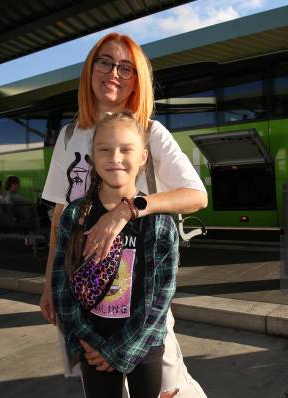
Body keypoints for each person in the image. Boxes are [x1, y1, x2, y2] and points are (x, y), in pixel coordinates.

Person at [40, 33, 208, 398]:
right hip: (86, 296)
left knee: (170, 389)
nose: (113, 72)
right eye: (104, 62)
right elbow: (58, 214)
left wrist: (127, 210)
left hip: (139, 301)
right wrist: (48, 285)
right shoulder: (69, 135)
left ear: (137, 79)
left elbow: (196, 196)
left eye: (125, 67)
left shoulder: (149, 131)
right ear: (90, 69)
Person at [53, 112, 177, 398]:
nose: (115, 157)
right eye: (104, 149)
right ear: (92, 158)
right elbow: (62, 285)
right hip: (92, 344)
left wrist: (116, 351)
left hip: (143, 344)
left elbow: (160, 297)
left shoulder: (158, 220)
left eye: (126, 149)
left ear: (144, 157)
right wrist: (90, 341)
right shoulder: (75, 214)